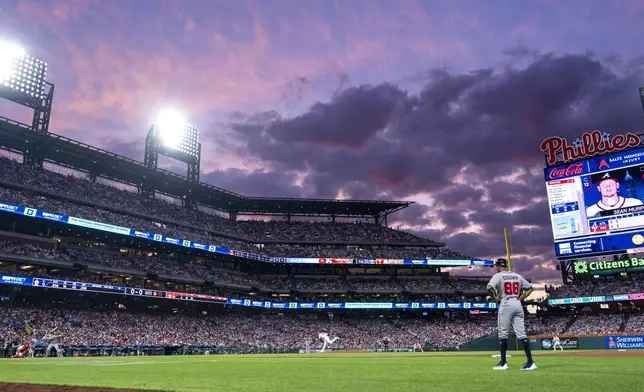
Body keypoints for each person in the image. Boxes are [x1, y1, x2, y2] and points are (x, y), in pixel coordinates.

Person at [487, 258, 536, 371]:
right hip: (517, 303)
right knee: (522, 334)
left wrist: (495, 298)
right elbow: (530, 288)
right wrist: (520, 298)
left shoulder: (498, 276)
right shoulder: (517, 276)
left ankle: (503, 363)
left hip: (506, 303)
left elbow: (489, 288)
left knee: (503, 334)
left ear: (498, 266)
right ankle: (530, 362)